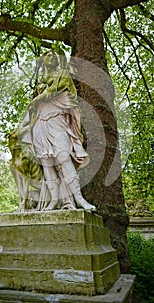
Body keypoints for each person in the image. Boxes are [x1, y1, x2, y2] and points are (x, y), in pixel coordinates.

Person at [20, 51, 96, 212]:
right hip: (40, 123)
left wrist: (35, 101)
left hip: (57, 119)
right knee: (47, 163)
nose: (52, 56)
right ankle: (54, 200)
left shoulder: (62, 74)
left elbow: (53, 91)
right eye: (47, 54)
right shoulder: (39, 82)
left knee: (63, 157)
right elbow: (34, 108)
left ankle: (79, 199)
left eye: (54, 55)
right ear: (42, 61)